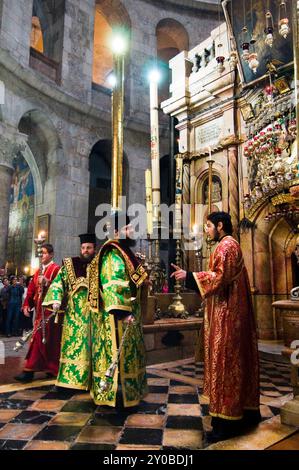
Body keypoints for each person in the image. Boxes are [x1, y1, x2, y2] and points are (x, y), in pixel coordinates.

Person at [171, 211, 260, 442]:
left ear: (220, 226)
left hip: (227, 317)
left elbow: (219, 278)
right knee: (235, 364)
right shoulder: (228, 245)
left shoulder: (225, 247)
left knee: (225, 366)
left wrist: (189, 276)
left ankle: (225, 424)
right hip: (230, 314)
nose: (206, 230)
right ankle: (244, 414)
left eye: (209, 225)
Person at [88, 212, 148, 407]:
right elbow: (113, 282)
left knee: (127, 356)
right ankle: (113, 395)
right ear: (116, 231)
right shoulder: (112, 252)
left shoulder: (123, 251)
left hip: (128, 311)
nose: (131, 231)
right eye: (127, 228)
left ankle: (128, 393)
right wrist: (123, 312)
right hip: (117, 314)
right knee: (117, 356)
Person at [42, 234, 96, 391]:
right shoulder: (71, 264)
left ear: (94, 249)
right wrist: (56, 299)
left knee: (92, 349)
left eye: (89, 248)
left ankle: (92, 381)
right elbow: (58, 283)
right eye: (83, 248)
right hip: (74, 317)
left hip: (94, 315)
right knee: (72, 348)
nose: (85, 251)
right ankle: (69, 382)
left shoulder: (100, 265)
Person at [15, 244, 61, 383]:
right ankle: (51, 368)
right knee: (44, 341)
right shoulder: (37, 271)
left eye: (45, 253)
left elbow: (61, 287)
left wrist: (48, 282)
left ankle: (28, 371)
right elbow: (31, 290)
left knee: (40, 339)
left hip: (50, 312)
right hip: (39, 312)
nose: (42, 256)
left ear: (52, 254)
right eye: (41, 253)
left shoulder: (57, 269)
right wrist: (27, 305)